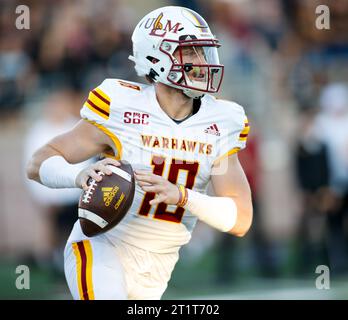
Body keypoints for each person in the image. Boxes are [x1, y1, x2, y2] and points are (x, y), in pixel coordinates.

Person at [26, 6, 253, 300]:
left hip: (159, 265)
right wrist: (78, 175)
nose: (202, 62)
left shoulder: (221, 121)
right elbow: (38, 162)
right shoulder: (122, 106)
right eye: (191, 52)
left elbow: (241, 219)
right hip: (103, 244)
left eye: (203, 51)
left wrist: (184, 197)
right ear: (157, 57)